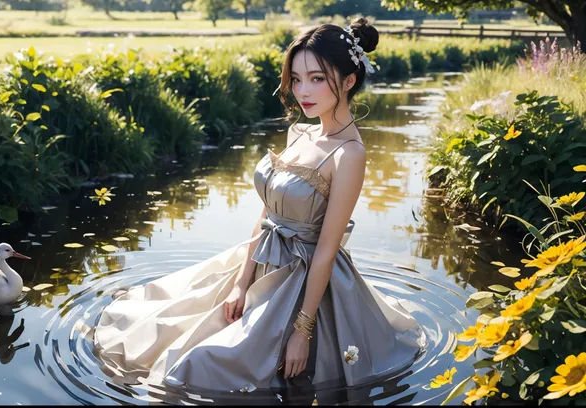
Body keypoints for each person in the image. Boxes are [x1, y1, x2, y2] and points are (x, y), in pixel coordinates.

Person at [92, 18, 427, 396]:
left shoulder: (349, 154)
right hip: (258, 260)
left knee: (196, 367)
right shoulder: (299, 131)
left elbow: (328, 249)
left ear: (348, 81)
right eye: (296, 78)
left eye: (317, 78)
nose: (303, 91)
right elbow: (266, 215)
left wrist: (302, 330)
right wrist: (239, 282)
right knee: (165, 329)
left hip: (302, 279)